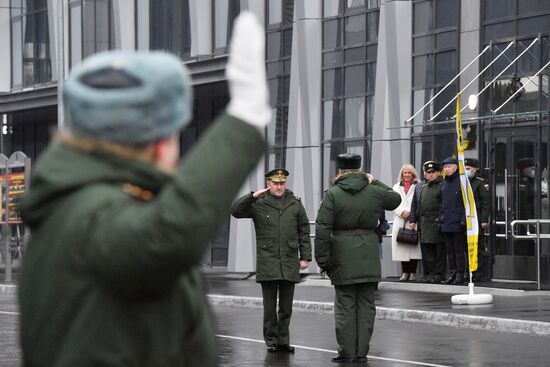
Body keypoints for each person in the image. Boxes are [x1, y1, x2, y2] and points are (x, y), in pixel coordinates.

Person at [18, 12, 270, 367]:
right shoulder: (92, 212)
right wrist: (244, 122)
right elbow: (166, 236)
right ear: (159, 141)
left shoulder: (70, 205)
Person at [314, 153, 401, 363]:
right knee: (366, 306)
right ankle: (362, 352)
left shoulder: (333, 194)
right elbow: (395, 198)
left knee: (345, 306)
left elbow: (323, 228)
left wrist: (322, 258)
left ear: (340, 171)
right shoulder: (374, 191)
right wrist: (374, 180)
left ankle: (347, 351)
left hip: (342, 254)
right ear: (361, 170)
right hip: (369, 252)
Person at [231, 168, 311, 353]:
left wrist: (305, 256)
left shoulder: (295, 203)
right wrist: (252, 196)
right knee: (269, 307)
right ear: (268, 184)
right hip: (268, 260)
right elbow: (235, 211)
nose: (279, 186)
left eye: (282, 183)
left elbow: (304, 230)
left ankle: (283, 340)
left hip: (289, 260)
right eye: (275, 183)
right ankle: (272, 341)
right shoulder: (259, 203)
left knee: (286, 307)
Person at [410, 161, 446, 284]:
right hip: (424, 223)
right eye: (428, 172)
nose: (430, 175)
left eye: (433, 172)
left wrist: (440, 219)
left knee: (439, 251)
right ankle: (428, 274)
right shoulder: (420, 186)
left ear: (438, 173)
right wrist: (413, 220)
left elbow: (444, 205)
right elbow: (414, 204)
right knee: (426, 251)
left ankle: (439, 274)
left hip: (437, 222)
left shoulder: (443, 185)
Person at [391, 164, 421, 281]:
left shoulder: (418, 186)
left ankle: (413, 272)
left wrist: (411, 213)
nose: (407, 175)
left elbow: (419, 201)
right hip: (400, 219)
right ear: (402, 174)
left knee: (413, 247)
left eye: (409, 173)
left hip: (413, 220)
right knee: (402, 248)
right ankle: (405, 272)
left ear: (413, 174)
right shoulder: (396, 186)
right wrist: (401, 211)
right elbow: (393, 202)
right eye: (405, 173)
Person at [439, 157, 467, 285]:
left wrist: (463, 220)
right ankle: (452, 273)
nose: (447, 169)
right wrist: (441, 218)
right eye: (445, 167)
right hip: (446, 222)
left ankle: (461, 274)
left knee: (459, 251)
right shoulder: (444, 183)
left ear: (455, 167)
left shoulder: (461, 182)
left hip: (458, 223)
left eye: (449, 167)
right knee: (449, 251)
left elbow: (466, 203)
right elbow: (441, 203)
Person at [464, 158, 490, 281]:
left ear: (475, 169)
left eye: (468, 169)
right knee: (465, 247)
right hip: (465, 220)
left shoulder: (480, 183)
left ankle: (478, 272)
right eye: (465, 168)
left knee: (477, 247)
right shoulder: (463, 182)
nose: (466, 171)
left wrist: (484, 220)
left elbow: (486, 203)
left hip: (477, 220)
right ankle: (467, 271)